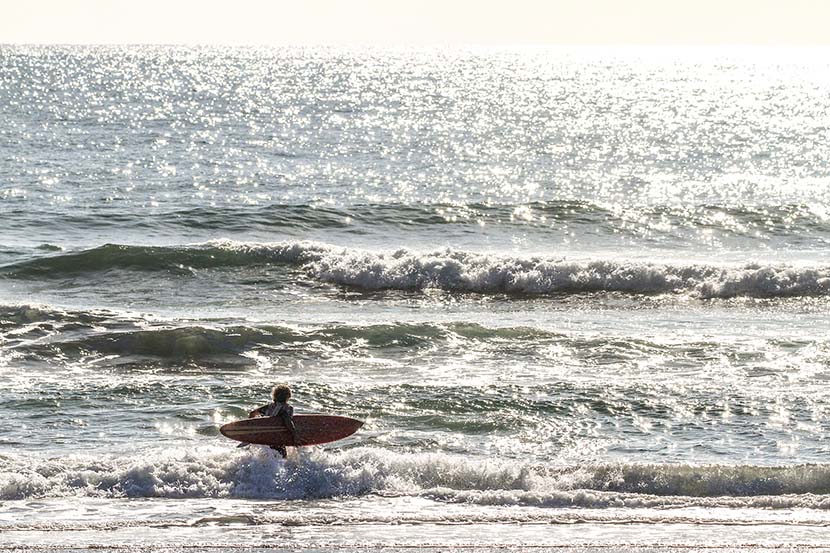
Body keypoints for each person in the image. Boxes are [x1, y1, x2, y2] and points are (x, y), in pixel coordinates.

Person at [249, 384, 301, 458]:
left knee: (266, 456)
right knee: (282, 458)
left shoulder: (269, 407)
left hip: (266, 437)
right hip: (278, 438)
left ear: (274, 395)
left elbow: (252, 413)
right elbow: (287, 420)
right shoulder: (288, 408)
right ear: (288, 396)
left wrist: (251, 428)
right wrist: (295, 434)